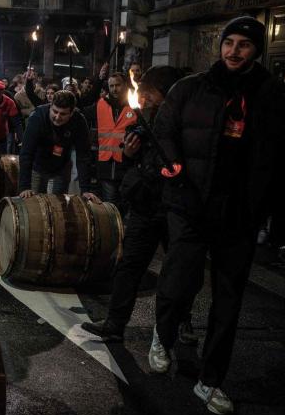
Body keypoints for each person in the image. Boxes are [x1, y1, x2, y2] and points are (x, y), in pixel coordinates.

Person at [150, 16, 285, 415]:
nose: (234, 51)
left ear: (257, 50)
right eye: (229, 43)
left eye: (244, 45)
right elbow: (164, 131)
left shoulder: (272, 96)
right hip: (190, 204)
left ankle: (211, 379)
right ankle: (162, 334)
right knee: (179, 279)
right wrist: (174, 166)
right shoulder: (190, 88)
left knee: (229, 302)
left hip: (240, 214)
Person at [82, 66, 204, 344]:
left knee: (180, 271)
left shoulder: (186, 122)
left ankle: (183, 324)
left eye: (149, 94)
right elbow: (134, 162)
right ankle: (114, 324)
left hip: (176, 208)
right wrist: (129, 152)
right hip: (146, 204)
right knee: (129, 266)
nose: (144, 99)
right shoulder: (145, 119)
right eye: (143, 93)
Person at [18, 90, 99, 202]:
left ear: (71, 113)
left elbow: (83, 156)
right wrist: (24, 187)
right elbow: (26, 152)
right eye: (55, 111)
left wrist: (85, 189)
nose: (57, 117)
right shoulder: (37, 117)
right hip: (37, 166)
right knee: (32, 204)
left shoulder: (78, 120)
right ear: (50, 106)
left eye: (63, 114)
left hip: (61, 168)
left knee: (58, 206)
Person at [83, 72, 138, 207]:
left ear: (125, 85)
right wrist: (98, 80)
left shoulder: (135, 105)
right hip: (106, 163)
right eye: (111, 86)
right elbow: (82, 107)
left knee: (127, 202)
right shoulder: (101, 104)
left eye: (117, 85)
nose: (114, 89)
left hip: (127, 162)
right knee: (110, 204)